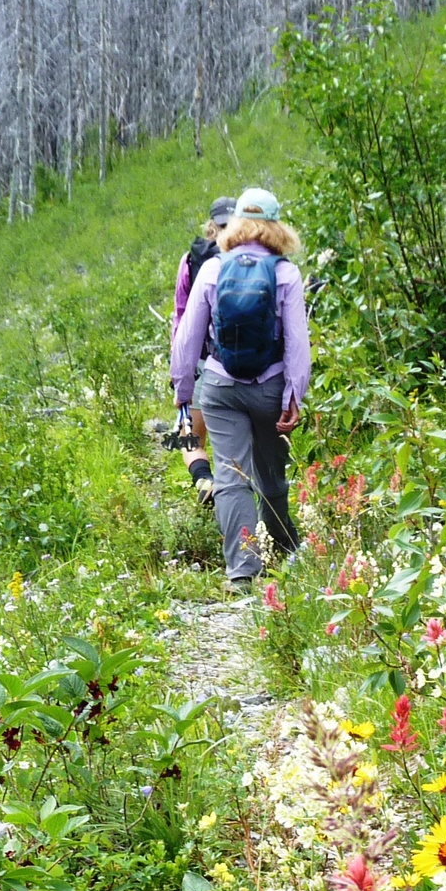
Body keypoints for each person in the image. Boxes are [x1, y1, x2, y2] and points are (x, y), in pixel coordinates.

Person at [170, 186, 310, 591]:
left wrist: (183, 391)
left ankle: (242, 573)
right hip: (270, 387)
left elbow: (187, 338)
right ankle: (284, 547)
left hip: (219, 387)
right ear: (275, 226)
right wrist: (293, 396)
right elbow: (298, 343)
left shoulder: (214, 268)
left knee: (231, 475)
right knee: (271, 473)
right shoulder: (286, 273)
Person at [170, 196, 236, 506]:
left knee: (186, 432)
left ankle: (203, 479)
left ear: (210, 226)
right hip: (241, 366)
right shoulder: (257, 258)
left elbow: (181, 319)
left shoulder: (191, 260)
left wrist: (178, 377)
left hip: (199, 362)